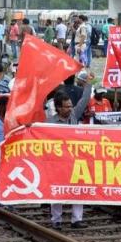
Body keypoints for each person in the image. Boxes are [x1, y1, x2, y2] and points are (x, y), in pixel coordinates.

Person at [46, 80, 92, 229]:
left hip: (74, 160)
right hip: (57, 162)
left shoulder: (74, 116)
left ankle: (76, 219)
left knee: (78, 188)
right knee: (57, 190)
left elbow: (84, 100)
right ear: (58, 108)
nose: (71, 109)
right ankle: (56, 220)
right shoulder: (50, 123)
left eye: (71, 106)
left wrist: (88, 84)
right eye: (67, 107)